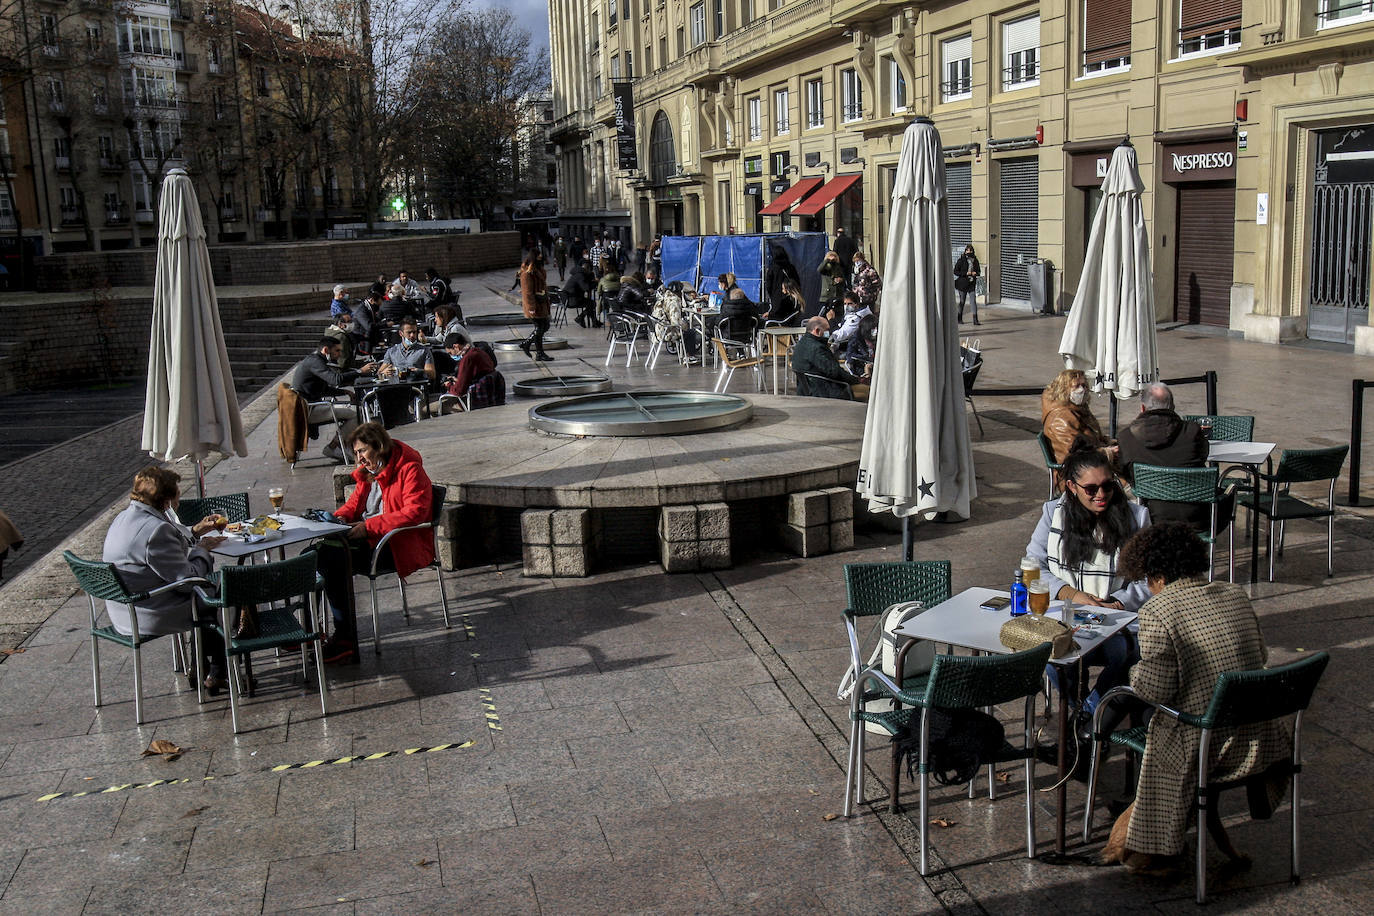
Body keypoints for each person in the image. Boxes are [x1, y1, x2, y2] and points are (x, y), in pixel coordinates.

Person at [1112, 522, 1289, 874]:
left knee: (1144, 716)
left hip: (1207, 746)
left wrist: (1133, 672)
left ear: (1156, 576)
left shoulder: (1158, 611)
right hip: (1260, 738)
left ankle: (1156, 845)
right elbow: (1261, 656)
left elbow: (1154, 691)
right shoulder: (1235, 594)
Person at [1025, 446, 1151, 714]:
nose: (1101, 495)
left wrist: (1117, 602)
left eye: (1108, 486)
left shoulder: (1136, 516)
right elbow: (1032, 568)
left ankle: (1089, 715)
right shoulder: (1052, 513)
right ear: (1072, 487)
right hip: (1067, 616)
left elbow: (1150, 579)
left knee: (1137, 654)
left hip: (1117, 619)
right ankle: (1084, 715)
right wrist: (1072, 594)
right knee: (1054, 656)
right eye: (1091, 489)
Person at [310, 423, 434, 664]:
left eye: (362, 451)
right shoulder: (369, 472)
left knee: (330, 561)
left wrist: (368, 527)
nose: (359, 458)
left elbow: (415, 512)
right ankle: (310, 630)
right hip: (369, 539)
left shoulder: (409, 469)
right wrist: (338, 519)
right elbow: (353, 505)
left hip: (394, 546)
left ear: (379, 446)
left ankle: (345, 639)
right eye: (356, 453)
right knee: (310, 556)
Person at [102, 466, 229, 692]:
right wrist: (202, 551)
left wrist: (196, 531)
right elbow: (187, 581)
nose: (179, 501)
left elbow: (166, 551)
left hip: (123, 608)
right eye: (177, 495)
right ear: (166, 501)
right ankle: (217, 670)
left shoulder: (125, 517)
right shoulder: (156, 530)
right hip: (148, 613)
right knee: (226, 592)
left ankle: (201, 666)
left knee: (210, 596)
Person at [1115, 382, 1213, 529]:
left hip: (1148, 517)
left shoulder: (1126, 437)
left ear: (1142, 408)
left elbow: (1125, 472)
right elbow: (1202, 456)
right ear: (1172, 406)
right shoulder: (1192, 431)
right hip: (1195, 517)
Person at [293, 337, 376, 461]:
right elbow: (335, 379)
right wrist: (360, 371)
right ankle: (334, 447)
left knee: (355, 409)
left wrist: (344, 392)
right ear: (326, 350)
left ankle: (342, 446)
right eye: (337, 351)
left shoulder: (314, 360)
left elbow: (323, 389)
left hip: (309, 406)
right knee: (357, 413)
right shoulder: (314, 362)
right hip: (308, 410)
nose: (339, 354)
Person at [1041, 369, 1111, 465]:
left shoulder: (1078, 409)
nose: (1082, 390)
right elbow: (1075, 454)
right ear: (1064, 389)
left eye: (1084, 385)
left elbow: (1091, 439)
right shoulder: (1061, 419)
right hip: (1080, 469)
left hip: (1091, 462)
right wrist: (1107, 452)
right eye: (1076, 386)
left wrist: (1107, 442)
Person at [791, 316, 866, 398]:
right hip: (826, 390)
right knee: (868, 391)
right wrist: (856, 380)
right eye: (827, 330)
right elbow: (835, 372)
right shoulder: (817, 348)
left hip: (810, 389)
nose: (829, 333)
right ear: (817, 331)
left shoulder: (801, 343)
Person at [435, 331, 497, 411]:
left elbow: (459, 391)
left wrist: (448, 385)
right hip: (489, 396)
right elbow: (477, 377)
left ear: (456, 347)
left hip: (475, 400)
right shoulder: (479, 352)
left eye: (450, 353)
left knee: (429, 408)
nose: (451, 355)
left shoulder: (467, 359)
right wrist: (458, 381)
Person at [517, 249, 553, 360]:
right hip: (535, 305)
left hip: (541, 303)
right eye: (538, 255)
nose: (541, 257)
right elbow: (527, 293)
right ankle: (528, 345)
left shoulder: (538, 270)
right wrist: (531, 307)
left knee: (543, 327)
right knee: (541, 327)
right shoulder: (527, 273)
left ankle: (537, 352)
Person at [766, 245, 801, 315]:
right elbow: (797, 282)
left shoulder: (772, 268)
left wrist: (773, 295)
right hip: (790, 296)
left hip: (776, 298)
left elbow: (768, 285)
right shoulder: (790, 267)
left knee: (777, 315)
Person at [954, 244, 981, 325]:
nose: (969, 252)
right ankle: (959, 318)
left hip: (971, 283)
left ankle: (975, 319)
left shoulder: (975, 260)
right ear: (965, 251)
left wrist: (976, 273)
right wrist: (966, 273)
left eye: (971, 250)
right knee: (962, 301)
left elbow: (978, 271)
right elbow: (955, 271)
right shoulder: (961, 260)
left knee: (973, 301)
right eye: (968, 250)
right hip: (962, 284)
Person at [818, 250, 847, 320]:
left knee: (837, 314)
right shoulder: (826, 267)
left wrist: (841, 279)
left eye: (834, 256)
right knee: (825, 314)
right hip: (827, 295)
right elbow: (819, 269)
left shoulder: (839, 267)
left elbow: (843, 278)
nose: (833, 258)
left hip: (838, 294)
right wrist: (827, 260)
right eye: (831, 256)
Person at [596, 258, 622, 322]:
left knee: (605, 306)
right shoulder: (619, 278)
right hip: (616, 297)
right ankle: (617, 317)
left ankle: (607, 319)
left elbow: (599, 292)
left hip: (606, 297)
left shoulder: (602, 279)